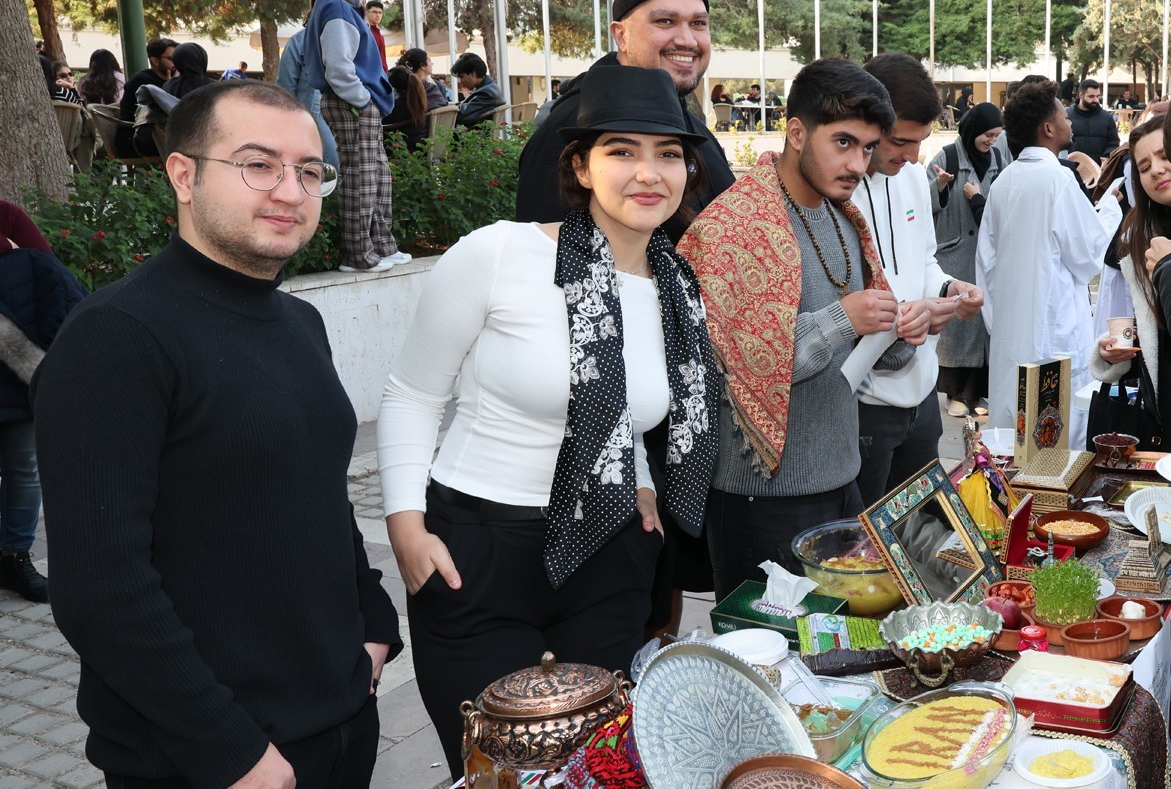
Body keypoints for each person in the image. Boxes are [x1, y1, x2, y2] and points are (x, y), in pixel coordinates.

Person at [35, 81, 401, 788]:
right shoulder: (116, 337)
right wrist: (228, 749)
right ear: (183, 175)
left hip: (341, 724)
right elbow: (100, 585)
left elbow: (317, 492)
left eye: (309, 171)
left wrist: (375, 618)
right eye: (258, 164)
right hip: (210, 761)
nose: (290, 190)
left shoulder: (300, 323)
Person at [378, 69, 720, 777]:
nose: (648, 172)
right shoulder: (498, 254)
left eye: (668, 154)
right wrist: (406, 528)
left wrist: (640, 476)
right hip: (480, 551)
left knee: (596, 768)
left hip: (609, 554)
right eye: (622, 151)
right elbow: (411, 393)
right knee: (495, 771)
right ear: (581, 166)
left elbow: (631, 404)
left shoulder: (678, 287)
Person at [679, 59, 899, 597]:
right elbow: (741, 369)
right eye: (843, 142)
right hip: (760, 498)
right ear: (796, 132)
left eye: (868, 148)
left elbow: (876, 351)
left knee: (841, 640)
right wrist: (844, 319)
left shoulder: (844, 217)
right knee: (768, 644)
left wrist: (905, 324)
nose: (857, 164)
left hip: (842, 478)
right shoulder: (733, 228)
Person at [853, 54, 986, 504]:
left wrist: (949, 289)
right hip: (862, 404)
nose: (912, 156)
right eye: (899, 141)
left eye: (921, 142)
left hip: (922, 394)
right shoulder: (837, 187)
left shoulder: (910, 177)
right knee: (862, 536)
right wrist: (907, 315)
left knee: (920, 526)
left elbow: (924, 260)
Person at [518, 0, 736, 223]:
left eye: (698, 24)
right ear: (621, 35)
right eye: (665, 21)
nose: (687, 40)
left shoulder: (687, 120)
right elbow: (545, 241)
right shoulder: (578, 123)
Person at [977, 79, 1111, 431]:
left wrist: (999, 321)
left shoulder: (1003, 182)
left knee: (1012, 438)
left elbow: (986, 263)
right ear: (1049, 129)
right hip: (1054, 331)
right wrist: (1110, 210)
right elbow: (1087, 257)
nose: (1070, 122)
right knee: (1053, 440)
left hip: (1009, 332)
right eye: (1064, 117)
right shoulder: (1058, 181)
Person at [1088, 115, 1171, 450]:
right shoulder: (1140, 236)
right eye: (1143, 167)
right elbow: (1158, 331)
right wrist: (1118, 352)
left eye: (1165, 156)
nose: (1156, 170)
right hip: (1167, 411)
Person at [308, 0, 404, 275]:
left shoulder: (334, 6)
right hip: (351, 102)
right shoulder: (335, 8)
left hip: (354, 101)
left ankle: (380, 247)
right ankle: (359, 255)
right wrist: (363, 101)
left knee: (376, 176)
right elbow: (338, 67)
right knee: (362, 179)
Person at [0, 202, 80, 603]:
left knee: (24, 469)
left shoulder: (7, 215)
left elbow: (49, 274)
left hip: (18, 370)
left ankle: (14, 558)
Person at [928, 101, 1008, 417]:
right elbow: (922, 202)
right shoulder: (946, 156)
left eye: (996, 135)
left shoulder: (998, 159)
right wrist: (940, 186)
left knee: (981, 323)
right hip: (955, 252)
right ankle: (956, 393)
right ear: (973, 129)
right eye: (987, 134)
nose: (991, 140)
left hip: (986, 256)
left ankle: (976, 394)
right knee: (958, 325)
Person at [117, 37, 177, 157]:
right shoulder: (142, 81)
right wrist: (171, 85)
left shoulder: (173, 80)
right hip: (135, 140)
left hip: (157, 135)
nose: (176, 63)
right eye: (171, 59)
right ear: (155, 60)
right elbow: (161, 111)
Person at [1067, 79, 1117, 163]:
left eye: (1098, 96)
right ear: (1081, 95)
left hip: (1099, 168)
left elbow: (1113, 143)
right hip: (1071, 167)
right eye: (1091, 96)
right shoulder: (1066, 115)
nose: (1096, 100)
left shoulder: (1107, 117)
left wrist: (1107, 157)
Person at [452, 52, 505, 129]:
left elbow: (461, 116)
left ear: (473, 73)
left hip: (474, 134)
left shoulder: (486, 93)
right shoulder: (489, 87)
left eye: (462, 76)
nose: (461, 81)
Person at [383, 64, 428, 152]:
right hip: (420, 145)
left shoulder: (395, 106)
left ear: (391, 86)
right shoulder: (419, 101)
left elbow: (382, 123)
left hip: (403, 149)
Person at [363, 0, 388, 69]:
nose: (378, 15)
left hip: (382, 71)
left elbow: (383, 59)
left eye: (380, 12)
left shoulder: (380, 35)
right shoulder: (365, 32)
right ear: (367, 13)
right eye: (375, 12)